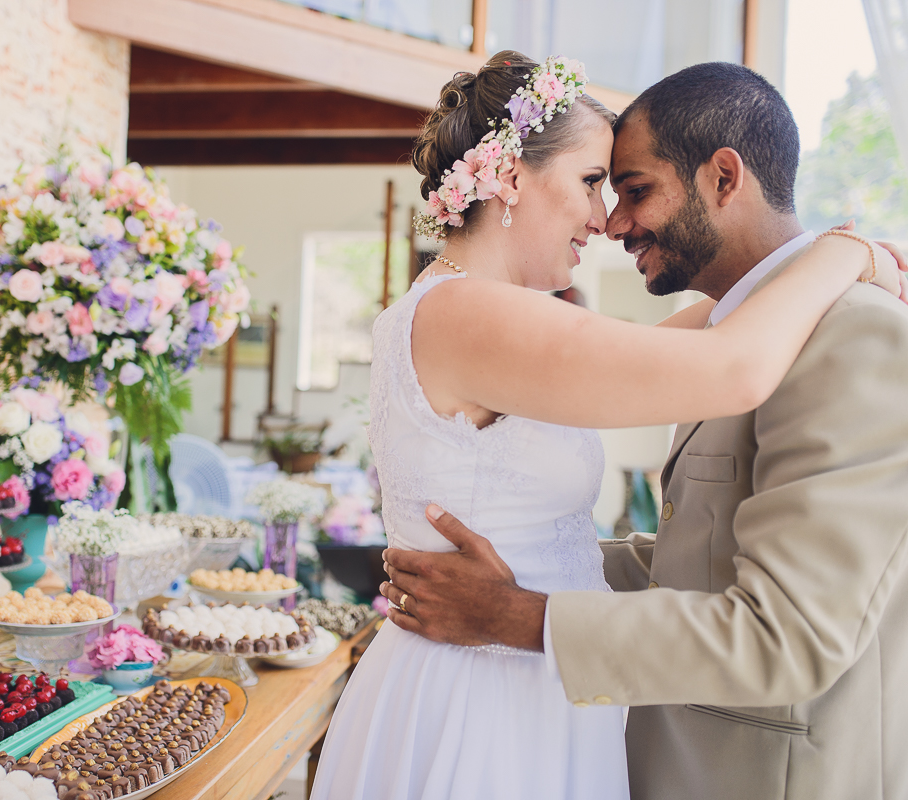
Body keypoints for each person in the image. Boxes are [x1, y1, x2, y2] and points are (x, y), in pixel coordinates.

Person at [312, 52, 908, 800]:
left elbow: (721, 336)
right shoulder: (470, 313)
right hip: (483, 694)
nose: (607, 221)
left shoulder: (499, 315)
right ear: (513, 177)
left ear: (725, 179)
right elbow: (732, 363)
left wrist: (837, 268)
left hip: (530, 677)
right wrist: (850, 250)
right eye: (595, 183)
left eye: (625, 188)